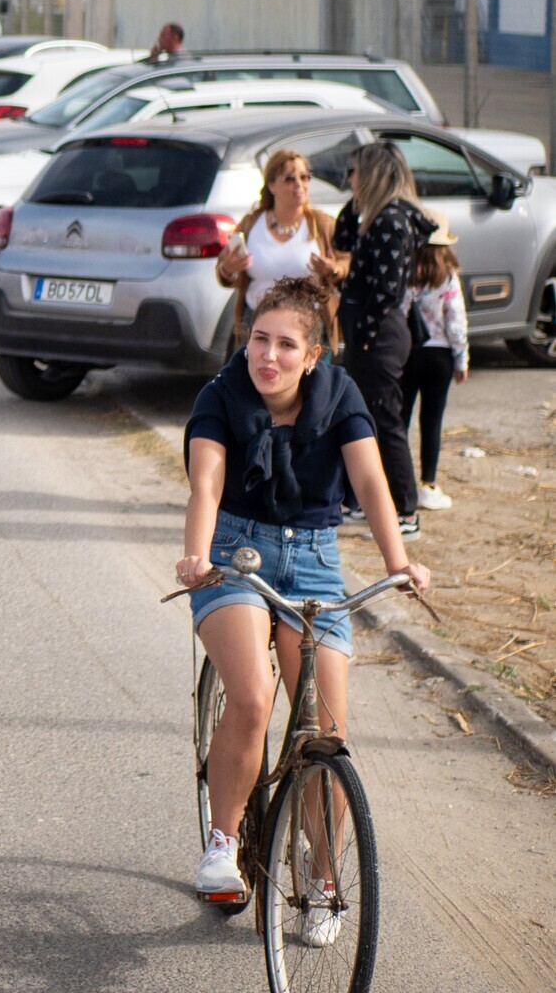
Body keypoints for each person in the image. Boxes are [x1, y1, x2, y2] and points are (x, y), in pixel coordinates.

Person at [174, 276, 430, 904]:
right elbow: (205, 486)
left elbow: (371, 485)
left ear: (314, 355)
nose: (268, 356)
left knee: (326, 732)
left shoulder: (340, 396)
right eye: (259, 339)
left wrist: (400, 562)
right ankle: (222, 844)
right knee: (255, 695)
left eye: (287, 345)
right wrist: (195, 555)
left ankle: (322, 873)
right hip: (234, 555)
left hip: (314, 560)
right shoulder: (220, 395)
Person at [331, 141, 435, 538]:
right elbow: (342, 237)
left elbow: (387, 290)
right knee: (366, 419)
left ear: (371, 173)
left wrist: (366, 337)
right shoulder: (373, 216)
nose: (349, 179)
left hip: (379, 335)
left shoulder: (391, 220)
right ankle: (362, 500)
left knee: (385, 419)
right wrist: (355, 200)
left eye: (354, 171)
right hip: (369, 333)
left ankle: (406, 512)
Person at [213, 149, 346, 348]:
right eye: (290, 179)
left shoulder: (322, 224)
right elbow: (223, 270)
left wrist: (332, 269)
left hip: (308, 326)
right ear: (272, 185)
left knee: (306, 379)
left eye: (305, 177)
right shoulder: (251, 225)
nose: (300, 185)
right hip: (258, 322)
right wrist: (228, 269)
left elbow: (345, 261)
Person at [401, 226, 468, 514]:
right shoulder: (448, 277)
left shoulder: (406, 275)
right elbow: (456, 321)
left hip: (409, 353)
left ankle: (398, 482)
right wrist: (461, 359)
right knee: (432, 420)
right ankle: (428, 484)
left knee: (399, 420)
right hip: (440, 356)